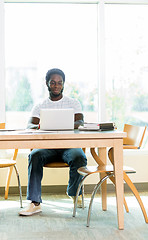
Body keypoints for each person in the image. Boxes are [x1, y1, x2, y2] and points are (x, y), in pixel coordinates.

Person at [19, 68, 87, 216]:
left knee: (79, 156)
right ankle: (34, 203)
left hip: (69, 146)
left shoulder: (73, 103)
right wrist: (42, 126)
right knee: (34, 156)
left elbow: (80, 122)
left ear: (63, 84)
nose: (56, 86)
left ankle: (74, 193)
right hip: (46, 148)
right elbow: (30, 125)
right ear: (47, 84)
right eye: (53, 83)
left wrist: (64, 125)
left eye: (59, 83)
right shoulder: (40, 105)